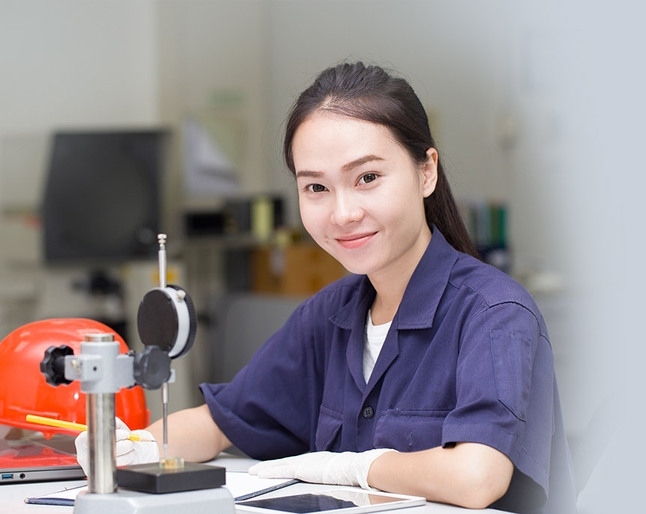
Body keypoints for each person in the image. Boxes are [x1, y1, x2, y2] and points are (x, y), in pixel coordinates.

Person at [76, 62, 576, 512]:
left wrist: (352, 467)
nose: (342, 213)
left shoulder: (494, 313)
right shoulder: (329, 317)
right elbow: (214, 425)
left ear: (427, 171)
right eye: (316, 187)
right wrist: (131, 444)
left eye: (368, 177)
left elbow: (476, 478)